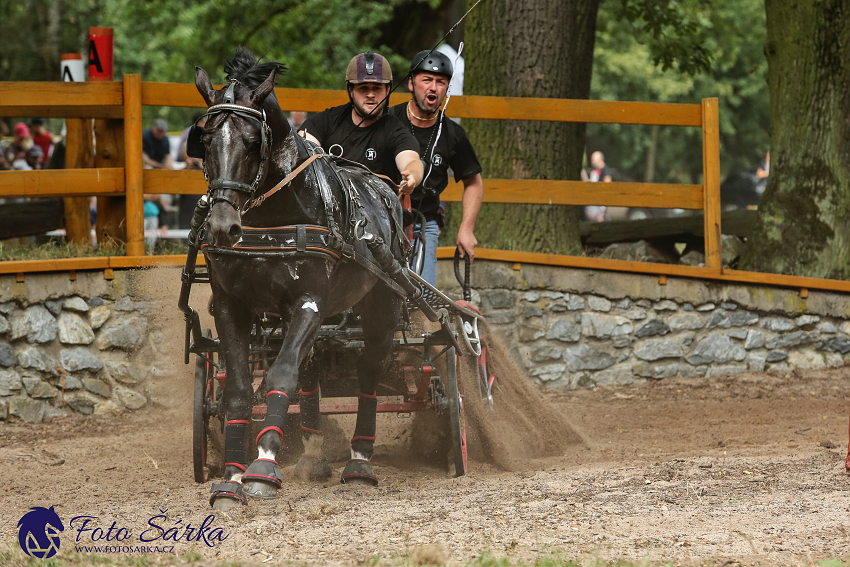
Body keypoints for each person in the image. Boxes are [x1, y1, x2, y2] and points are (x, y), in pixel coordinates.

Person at [388, 49, 483, 286]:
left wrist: (466, 228)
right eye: (426, 80)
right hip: (382, 219)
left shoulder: (453, 134)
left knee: (423, 299)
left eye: (440, 82)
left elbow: (473, 182)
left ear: (447, 90)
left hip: (424, 222)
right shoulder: (387, 120)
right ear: (411, 83)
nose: (433, 87)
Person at [299, 51, 422, 192]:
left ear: (388, 89)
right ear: (350, 89)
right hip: (329, 208)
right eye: (363, 88)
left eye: (377, 88)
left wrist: (412, 176)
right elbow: (303, 148)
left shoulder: (395, 131)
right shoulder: (326, 120)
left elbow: (412, 161)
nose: (370, 95)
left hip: (379, 210)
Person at [584, 150, 612, 222]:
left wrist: (601, 211)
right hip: (592, 204)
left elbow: (607, 189)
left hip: (600, 205)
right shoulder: (594, 170)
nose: (592, 159)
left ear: (600, 159)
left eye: (593, 158)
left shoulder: (606, 170)